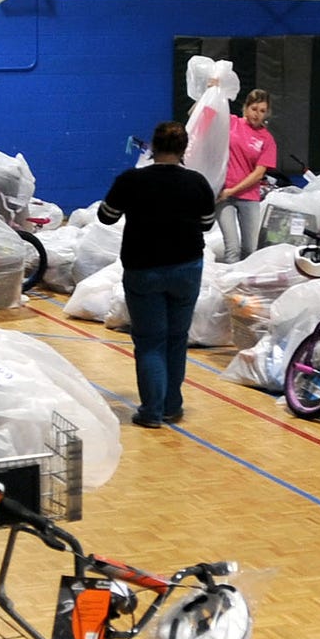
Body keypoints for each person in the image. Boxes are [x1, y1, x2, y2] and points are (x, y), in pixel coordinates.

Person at [101, 120, 220, 427]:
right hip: (186, 268)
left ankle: (151, 411)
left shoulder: (131, 180)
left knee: (150, 340)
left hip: (144, 268)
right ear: (184, 150)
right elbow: (207, 223)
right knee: (176, 338)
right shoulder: (197, 183)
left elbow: (106, 217)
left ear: (153, 148)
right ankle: (172, 405)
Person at [216, 88, 278, 262]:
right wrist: (211, 91)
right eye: (254, 109)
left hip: (248, 197)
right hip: (223, 195)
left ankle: (244, 286)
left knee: (250, 249)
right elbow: (199, 114)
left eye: (262, 111)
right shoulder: (232, 123)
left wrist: (233, 190)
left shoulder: (267, 139)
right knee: (232, 248)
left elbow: (259, 174)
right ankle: (230, 287)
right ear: (246, 107)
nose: (257, 114)